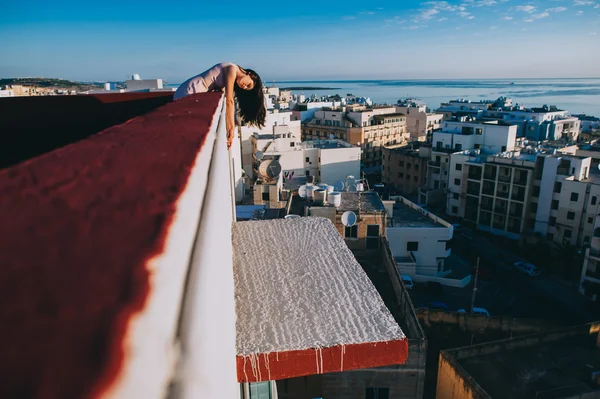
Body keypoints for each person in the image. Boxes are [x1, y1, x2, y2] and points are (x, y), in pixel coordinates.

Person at [173, 62, 266, 149]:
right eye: (248, 84)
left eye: (246, 88)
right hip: (190, 90)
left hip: (195, 91)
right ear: (250, 74)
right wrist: (230, 128)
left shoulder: (232, 71)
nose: (244, 87)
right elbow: (229, 101)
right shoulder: (232, 69)